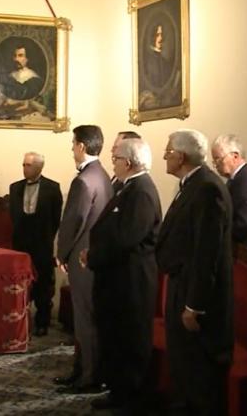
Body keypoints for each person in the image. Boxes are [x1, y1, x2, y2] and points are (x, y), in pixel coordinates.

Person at [157, 129, 234, 416]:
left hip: (197, 297)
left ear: (181, 155)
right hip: (182, 284)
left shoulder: (207, 188)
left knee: (199, 372)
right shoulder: (192, 185)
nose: (165, 156)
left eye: (168, 151)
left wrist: (194, 305)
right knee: (183, 366)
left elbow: (207, 253)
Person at [84, 137, 161, 413]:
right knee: (116, 338)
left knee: (130, 340)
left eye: (115, 159)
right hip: (118, 279)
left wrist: (93, 256)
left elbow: (127, 237)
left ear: (127, 163)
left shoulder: (140, 191)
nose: (112, 162)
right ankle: (118, 391)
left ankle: (130, 397)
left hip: (131, 281)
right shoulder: (128, 187)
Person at [54, 125, 113, 394]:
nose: (71, 149)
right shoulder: (103, 175)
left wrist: (61, 253)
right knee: (89, 319)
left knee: (85, 321)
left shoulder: (83, 180)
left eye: (73, 143)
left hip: (82, 258)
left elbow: (74, 221)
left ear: (81, 146)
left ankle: (88, 376)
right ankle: (82, 371)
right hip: (94, 258)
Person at [8, 152, 63, 336]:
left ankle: (42, 322)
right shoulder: (15, 187)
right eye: (23, 164)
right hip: (20, 243)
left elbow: (56, 218)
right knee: (20, 284)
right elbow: (13, 216)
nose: (24, 168)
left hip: (42, 243)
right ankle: (18, 320)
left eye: (29, 165)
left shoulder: (52, 188)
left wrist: (47, 237)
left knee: (43, 284)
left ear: (39, 167)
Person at [211, 134, 247, 260]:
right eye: (214, 161)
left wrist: (216, 233)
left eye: (218, 159)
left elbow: (243, 225)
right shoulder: (235, 181)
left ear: (235, 156)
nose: (216, 165)